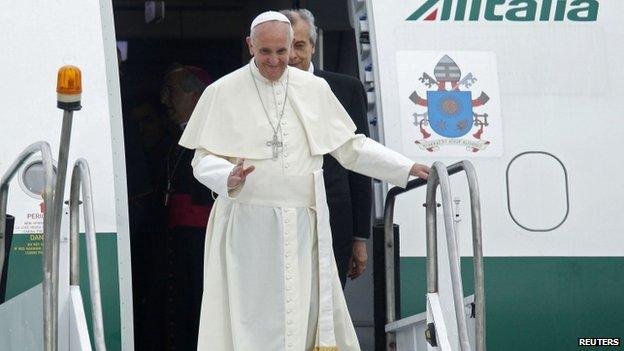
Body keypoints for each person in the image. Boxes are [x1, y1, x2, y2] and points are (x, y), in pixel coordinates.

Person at [179, 11, 430, 351]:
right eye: (265, 52)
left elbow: (350, 147)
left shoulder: (314, 88)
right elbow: (202, 158)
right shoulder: (222, 91)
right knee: (251, 316)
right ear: (250, 46)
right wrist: (228, 175)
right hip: (247, 226)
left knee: (303, 314)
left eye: (281, 52)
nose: (274, 61)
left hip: (303, 225)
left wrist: (405, 167)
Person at [281, 8, 372, 287]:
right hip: (280, 221)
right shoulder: (258, 91)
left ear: (313, 45)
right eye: (286, 47)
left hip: (335, 220)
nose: (293, 55)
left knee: (329, 307)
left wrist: (359, 237)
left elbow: (359, 162)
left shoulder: (346, 89)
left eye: (300, 45)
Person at [156, 65, 215, 350]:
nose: (165, 100)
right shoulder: (178, 136)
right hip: (181, 238)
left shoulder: (212, 134)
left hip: (201, 241)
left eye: (173, 92)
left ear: (195, 96)